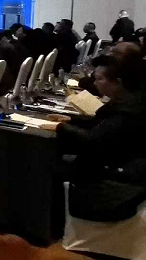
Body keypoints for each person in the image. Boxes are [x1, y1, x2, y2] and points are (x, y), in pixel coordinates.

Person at [43, 54, 146, 186]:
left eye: (99, 79)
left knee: (42, 165)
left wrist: (61, 127)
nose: (94, 83)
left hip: (109, 176)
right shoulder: (129, 100)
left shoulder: (129, 112)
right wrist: (71, 120)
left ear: (117, 83)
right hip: (110, 165)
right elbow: (101, 124)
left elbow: (92, 140)